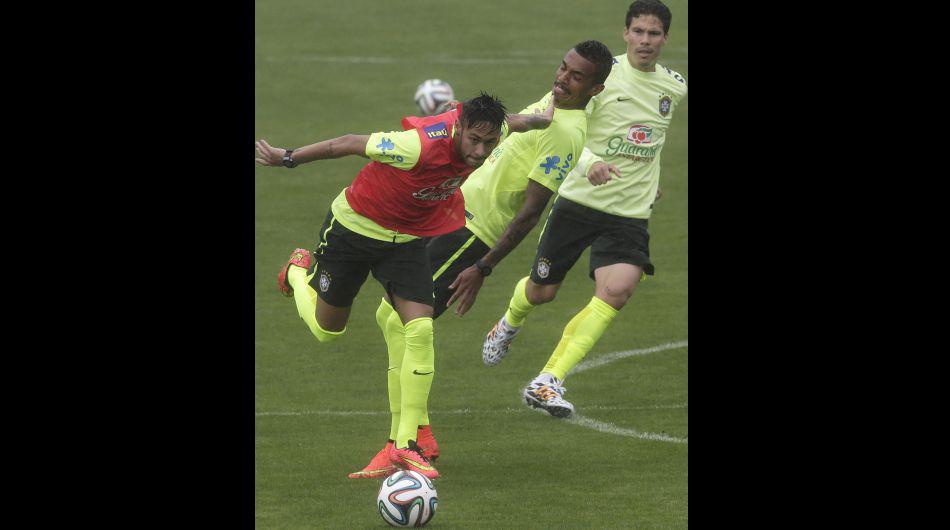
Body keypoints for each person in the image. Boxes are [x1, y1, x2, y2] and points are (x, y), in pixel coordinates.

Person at [348, 40, 615, 479]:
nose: (563, 78)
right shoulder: (553, 106)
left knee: (403, 321)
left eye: (576, 76)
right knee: (391, 317)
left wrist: (483, 267)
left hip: (470, 231)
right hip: (448, 214)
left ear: (596, 88)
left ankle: (404, 443)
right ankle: (418, 434)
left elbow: (532, 211)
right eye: (563, 67)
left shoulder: (567, 132)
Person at [256, 94, 533, 479]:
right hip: (353, 231)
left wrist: (546, 119)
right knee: (327, 331)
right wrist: (287, 157)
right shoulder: (415, 146)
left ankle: (405, 446)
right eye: (474, 140)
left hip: (405, 241)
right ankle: (295, 274)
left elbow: (517, 121)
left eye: (489, 144)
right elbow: (348, 143)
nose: (480, 151)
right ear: (459, 127)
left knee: (419, 327)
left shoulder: (491, 129)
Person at [482, 0, 688, 418]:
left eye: (654, 33)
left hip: (630, 212)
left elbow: (649, 138)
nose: (645, 41)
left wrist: (650, 182)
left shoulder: (674, 86)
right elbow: (560, 126)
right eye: (638, 32)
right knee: (542, 292)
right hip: (578, 201)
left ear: (665, 37)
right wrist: (591, 163)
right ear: (625, 33)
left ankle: (548, 380)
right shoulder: (600, 78)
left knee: (617, 291)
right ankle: (507, 322)